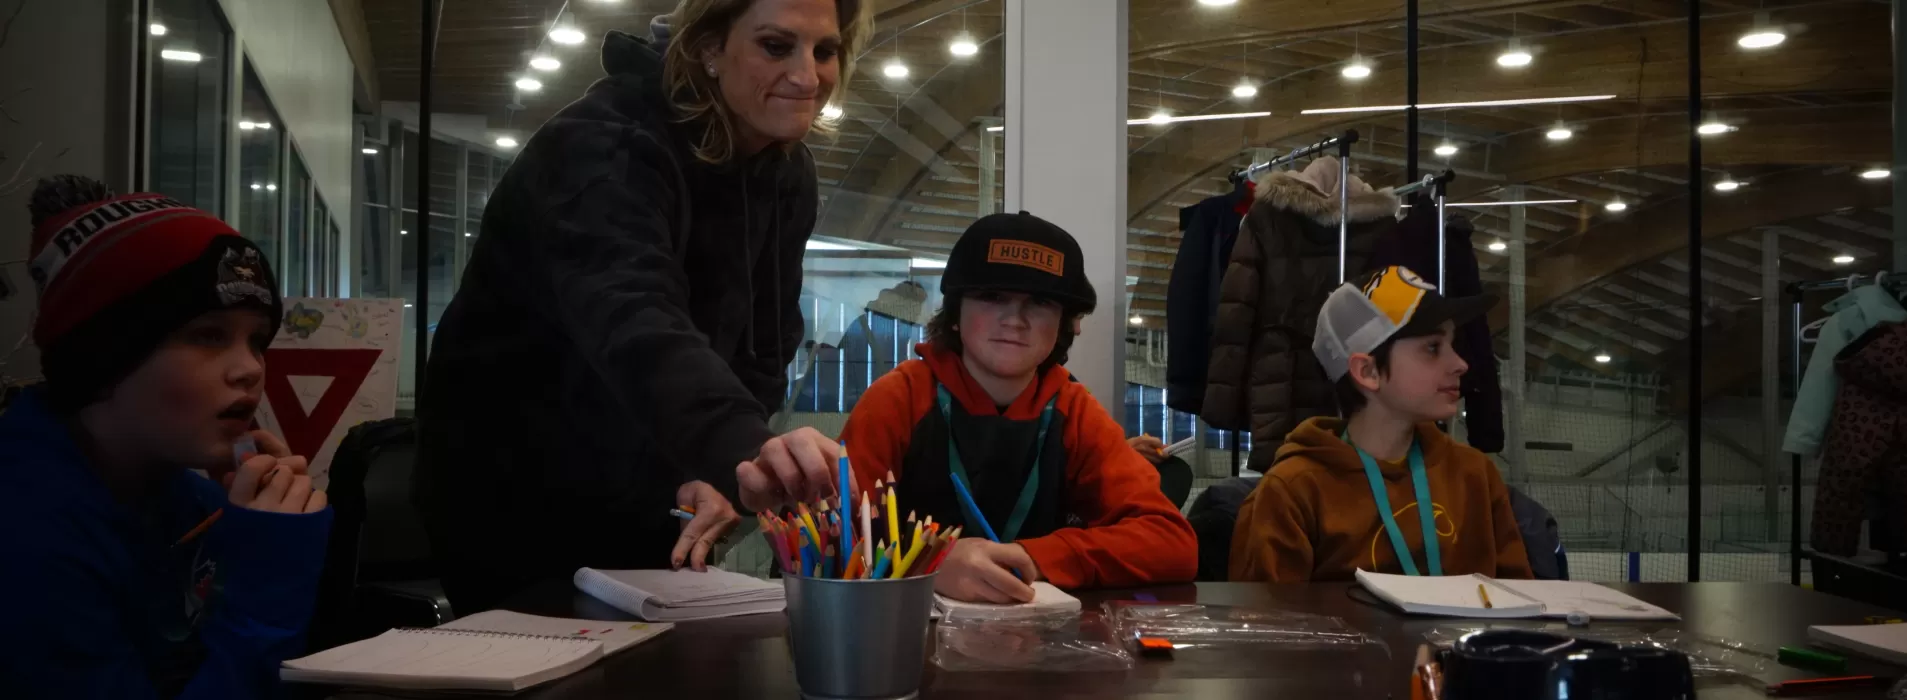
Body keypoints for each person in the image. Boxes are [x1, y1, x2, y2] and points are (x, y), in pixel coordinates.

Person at [415, 0, 873, 614]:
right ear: (709, 47)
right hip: (513, 491)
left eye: (825, 50)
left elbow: (766, 342)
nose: (807, 75)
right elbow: (634, 322)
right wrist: (742, 449)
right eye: (775, 46)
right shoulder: (606, 143)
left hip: (648, 496)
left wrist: (716, 472)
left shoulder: (787, 169)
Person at [0, 176, 331, 697]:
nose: (250, 369)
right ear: (103, 356)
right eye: (207, 336)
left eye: (258, 341)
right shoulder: (24, 533)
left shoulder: (193, 501)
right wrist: (265, 589)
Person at [840, 212, 1198, 603]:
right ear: (955, 313)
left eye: (1040, 302)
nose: (1015, 320)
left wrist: (1032, 556)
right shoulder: (899, 398)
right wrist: (928, 563)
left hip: (1035, 635)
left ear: (1065, 323)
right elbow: (831, 537)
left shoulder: (1074, 409)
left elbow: (1172, 542)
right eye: (992, 296)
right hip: (905, 640)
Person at [1229, 266, 1532, 583]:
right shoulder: (1293, 490)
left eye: (1452, 344)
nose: (1460, 364)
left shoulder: (1475, 475)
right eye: (1432, 348)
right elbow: (1268, 624)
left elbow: (1521, 608)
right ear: (1368, 372)